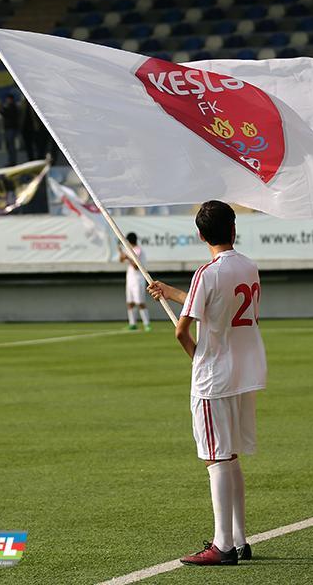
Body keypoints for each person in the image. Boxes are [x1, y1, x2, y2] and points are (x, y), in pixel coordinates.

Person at [147, 200, 265, 566]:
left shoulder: (206, 272)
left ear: (200, 235)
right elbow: (216, 305)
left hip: (214, 376)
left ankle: (222, 545)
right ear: (233, 229)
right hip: (243, 372)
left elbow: (182, 330)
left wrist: (196, 356)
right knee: (230, 456)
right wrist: (171, 293)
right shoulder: (248, 266)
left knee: (216, 458)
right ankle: (239, 540)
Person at [119, 232, 151, 332]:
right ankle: (132, 324)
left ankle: (146, 324)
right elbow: (121, 260)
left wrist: (127, 257)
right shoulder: (129, 250)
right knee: (130, 302)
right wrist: (120, 251)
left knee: (140, 302)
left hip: (138, 279)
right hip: (130, 279)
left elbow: (136, 266)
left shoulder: (138, 250)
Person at [0, 94, 19, 166]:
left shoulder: (13, 106)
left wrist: (2, 110)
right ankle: (11, 161)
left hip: (11, 128)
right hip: (8, 128)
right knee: (9, 145)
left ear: (11, 99)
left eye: (9, 99)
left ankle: (13, 162)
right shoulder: (9, 106)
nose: (7, 100)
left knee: (11, 145)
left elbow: (8, 114)